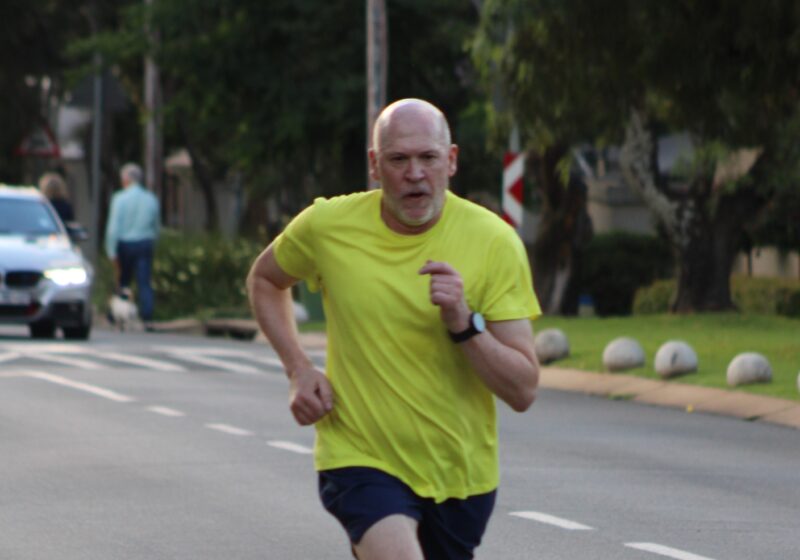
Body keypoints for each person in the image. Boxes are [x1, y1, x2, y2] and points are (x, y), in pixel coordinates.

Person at [247, 98, 541, 559]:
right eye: (398, 159)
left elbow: (523, 390)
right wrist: (298, 368)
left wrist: (464, 324)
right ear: (374, 165)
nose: (415, 173)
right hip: (359, 456)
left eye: (428, 157)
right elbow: (265, 280)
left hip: (459, 474)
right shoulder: (329, 226)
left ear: (452, 160)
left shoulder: (494, 242)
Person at [105, 162, 160, 324]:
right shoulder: (151, 199)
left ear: (126, 180)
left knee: (123, 281)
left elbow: (113, 228)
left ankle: (118, 313)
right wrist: (154, 242)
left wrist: (111, 251)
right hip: (145, 243)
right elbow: (156, 226)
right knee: (144, 281)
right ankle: (147, 314)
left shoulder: (119, 198)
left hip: (125, 245)